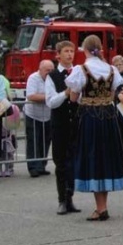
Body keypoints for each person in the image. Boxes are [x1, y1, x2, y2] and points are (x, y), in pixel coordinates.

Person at [66, 35, 123, 221]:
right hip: (108, 117)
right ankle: (103, 206)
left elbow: (73, 99)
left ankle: (100, 208)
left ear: (84, 49)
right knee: (106, 157)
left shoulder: (81, 69)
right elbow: (115, 91)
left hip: (90, 117)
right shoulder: (111, 69)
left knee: (93, 157)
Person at [45, 41, 81, 215]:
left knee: (73, 162)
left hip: (75, 123)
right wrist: (65, 93)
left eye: (72, 51)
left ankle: (70, 197)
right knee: (60, 163)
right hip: (59, 124)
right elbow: (50, 101)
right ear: (58, 54)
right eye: (66, 51)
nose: (69, 54)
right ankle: (62, 199)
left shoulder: (78, 72)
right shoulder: (52, 76)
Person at [24, 60, 54, 178]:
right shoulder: (33, 78)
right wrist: (49, 98)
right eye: (47, 70)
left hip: (47, 115)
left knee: (45, 141)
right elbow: (31, 96)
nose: (50, 73)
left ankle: (42, 165)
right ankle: (33, 167)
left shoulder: (52, 79)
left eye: (52, 70)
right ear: (40, 69)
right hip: (33, 114)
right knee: (33, 141)